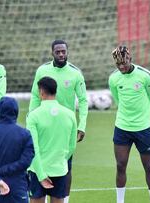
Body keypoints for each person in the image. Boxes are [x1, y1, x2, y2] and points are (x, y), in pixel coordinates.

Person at [29, 39, 88, 202]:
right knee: (39, 156)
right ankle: (41, 194)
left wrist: (82, 125)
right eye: (58, 52)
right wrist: (31, 116)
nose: (61, 54)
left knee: (65, 165)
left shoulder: (75, 73)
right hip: (43, 123)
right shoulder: (42, 70)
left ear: (67, 52)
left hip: (65, 125)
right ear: (52, 53)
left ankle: (63, 198)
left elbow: (83, 100)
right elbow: (35, 95)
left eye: (64, 51)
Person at [108, 45, 150, 203]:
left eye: (124, 62)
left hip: (143, 128)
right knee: (120, 165)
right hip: (122, 128)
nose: (121, 66)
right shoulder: (114, 78)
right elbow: (117, 99)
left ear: (130, 58)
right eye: (118, 64)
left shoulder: (145, 76)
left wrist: (143, 118)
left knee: (148, 167)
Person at [27, 76, 77, 203]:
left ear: (41, 92)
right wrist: (60, 160)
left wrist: (41, 174)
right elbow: (72, 146)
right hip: (60, 169)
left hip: (38, 171)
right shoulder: (70, 115)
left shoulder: (33, 116)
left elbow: (33, 147)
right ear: (56, 91)